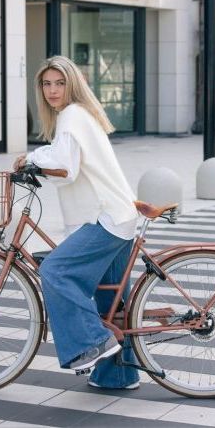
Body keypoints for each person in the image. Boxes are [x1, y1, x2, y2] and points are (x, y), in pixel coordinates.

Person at [13, 56, 140, 389]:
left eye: (60, 83)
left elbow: (65, 166)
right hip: (118, 215)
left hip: (105, 217)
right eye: (46, 84)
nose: (52, 90)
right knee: (112, 304)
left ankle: (92, 342)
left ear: (73, 84)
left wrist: (30, 159)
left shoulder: (71, 115)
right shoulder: (81, 114)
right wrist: (40, 159)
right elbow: (67, 160)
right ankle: (118, 375)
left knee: (55, 271)